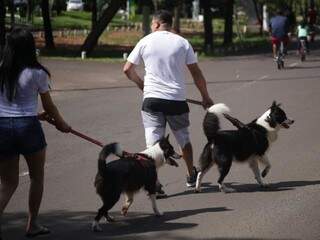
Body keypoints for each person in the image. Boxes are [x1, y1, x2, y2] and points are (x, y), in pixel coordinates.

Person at [123, 10, 214, 197]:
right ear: (169, 24)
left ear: (156, 24)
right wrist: (205, 97)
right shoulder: (182, 43)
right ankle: (190, 175)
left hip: (151, 101)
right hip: (176, 101)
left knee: (153, 144)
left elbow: (127, 69)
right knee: (183, 140)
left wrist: (143, 86)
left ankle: (155, 183)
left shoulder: (145, 41)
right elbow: (196, 73)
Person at [0, 28, 70, 239]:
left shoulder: (1, 69)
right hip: (28, 128)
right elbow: (49, 107)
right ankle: (32, 225)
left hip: (2, 127)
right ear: (30, 46)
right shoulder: (37, 72)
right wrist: (62, 124)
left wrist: (33, 114)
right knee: (36, 177)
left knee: (9, 183)